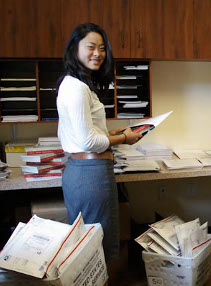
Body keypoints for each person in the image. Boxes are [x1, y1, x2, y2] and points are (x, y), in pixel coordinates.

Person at [57, 23, 142, 262]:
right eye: (91, 47)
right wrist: (125, 137)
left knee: (90, 243)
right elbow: (88, 141)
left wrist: (114, 132)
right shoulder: (77, 88)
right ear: (75, 48)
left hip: (86, 172)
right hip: (90, 174)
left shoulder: (77, 84)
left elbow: (81, 133)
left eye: (102, 48)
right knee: (95, 246)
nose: (98, 53)